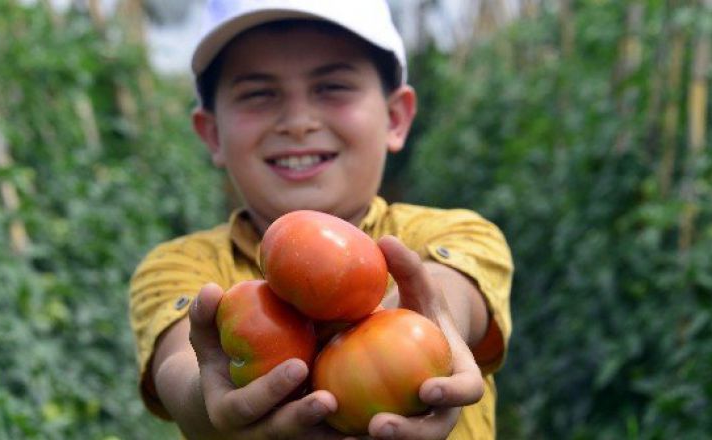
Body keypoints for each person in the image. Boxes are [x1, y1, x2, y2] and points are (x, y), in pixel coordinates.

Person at [128, 1, 513, 438]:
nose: (298, 122)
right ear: (212, 134)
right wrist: (214, 397)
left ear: (396, 117)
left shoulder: (457, 232)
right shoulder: (180, 267)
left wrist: (426, 321)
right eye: (259, 93)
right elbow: (182, 369)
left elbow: (449, 286)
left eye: (332, 87)